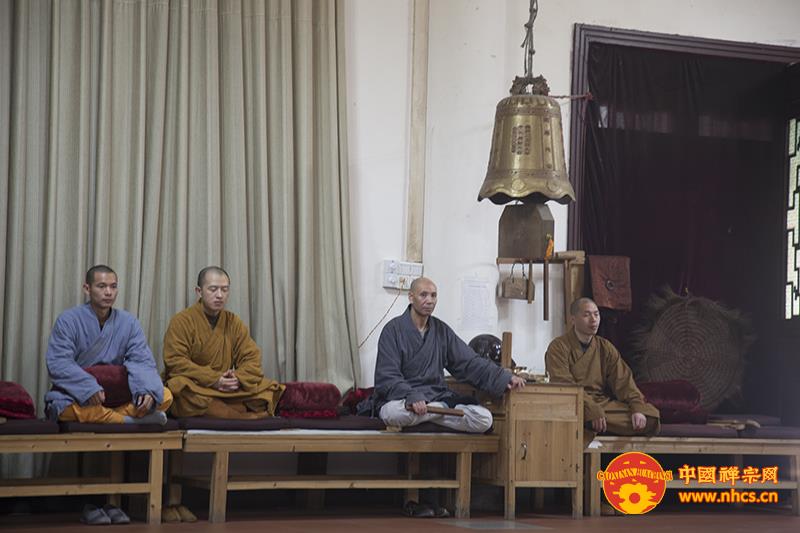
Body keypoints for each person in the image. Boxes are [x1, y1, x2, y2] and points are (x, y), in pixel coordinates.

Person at [372, 277, 525, 434]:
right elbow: (387, 376)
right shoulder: (393, 330)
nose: (429, 300)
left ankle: (431, 414)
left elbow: (469, 362)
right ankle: (437, 413)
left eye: (433, 295)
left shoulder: (441, 331)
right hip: (405, 401)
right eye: (423, 295)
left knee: (484, 419)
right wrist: (411, 395)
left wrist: (503, 377)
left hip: (436, 398)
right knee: (393, 413)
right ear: (411, 297)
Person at [45, 265, 172, 426]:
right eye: (101, 286)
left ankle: (110, 417)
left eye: (113, 287)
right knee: (63, 408)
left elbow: (141, 360)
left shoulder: (129, 322)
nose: (108, 292)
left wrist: (147, 390)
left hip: (117, 394)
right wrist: (88, 387)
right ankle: (126, 419)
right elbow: (58, 363)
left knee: (164, 395)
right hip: (80, 393)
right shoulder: (68, 320)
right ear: (87, 289)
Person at [163, 266, 284, 418]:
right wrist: (213, 379)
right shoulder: (181, 321)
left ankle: (222, 410)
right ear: (199, 291)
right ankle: (240, 415)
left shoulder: (233, 322)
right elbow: (175, 362)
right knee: (178, 386)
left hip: (226, 388)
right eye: (213, 289)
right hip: (197, 386)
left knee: (269, 388)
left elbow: (252, 359)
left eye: (224, 290)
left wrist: (237, 378)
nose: (219, 295)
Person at [545, 297, 659, 446]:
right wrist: (590, 408)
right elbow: (564, 384)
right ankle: (589, 421)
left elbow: (623, 381)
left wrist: (637, 406)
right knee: (575, 415)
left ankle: (590, 424)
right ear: (573, 319)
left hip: (602, 405)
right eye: (587, 315)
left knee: (649, 418)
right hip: (573, 404)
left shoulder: (605, 347)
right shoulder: (558, 347)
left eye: (596, 314)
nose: (593, 320)